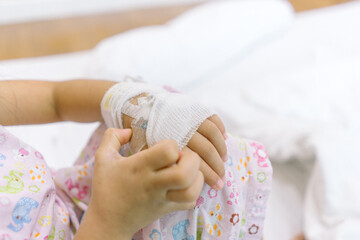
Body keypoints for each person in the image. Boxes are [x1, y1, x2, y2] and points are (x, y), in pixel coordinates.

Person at [0, 79, 272, 239]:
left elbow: (54, 100)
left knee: (178, 134)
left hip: (79, 200)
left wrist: (133, 106)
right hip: (104, 227)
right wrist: (112, 219)